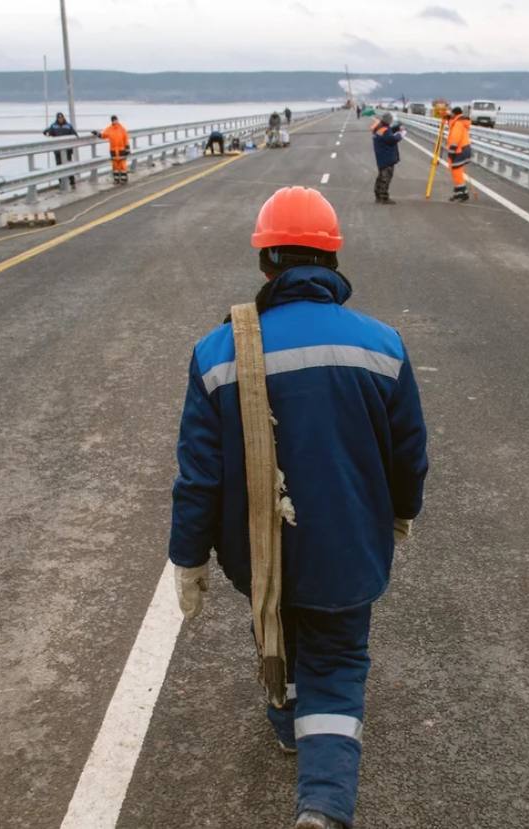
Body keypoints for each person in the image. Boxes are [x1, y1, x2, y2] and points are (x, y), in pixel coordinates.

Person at [169, 186, 428, 829]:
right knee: (338, 662)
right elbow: (409, 454)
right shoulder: (383, 345)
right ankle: (322, 806)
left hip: (260, 551)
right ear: (333, 262)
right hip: (348, 548)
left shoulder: (217, 351)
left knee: (276, 625)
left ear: (266, 264)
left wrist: (188, 558)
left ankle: (289, 721)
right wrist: (402, 509)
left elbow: (199, 476)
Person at [371, 112, 404, 205]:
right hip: (387, 158)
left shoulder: (379, 128)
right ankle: (384, 197)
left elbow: (388, 132)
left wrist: (397, 128)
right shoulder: (385, 131)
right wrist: (401, 134)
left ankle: (378, 195)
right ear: (389, 121)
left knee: (381, 177)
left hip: (381, 157)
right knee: (385, 178)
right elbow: (391, 140)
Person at [91, 115, 130, 184]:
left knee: (122, 165)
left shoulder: (122, 129)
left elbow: (126, 139)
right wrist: (97, 133)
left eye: (115, 120)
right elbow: (103, 135)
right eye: (113, 120)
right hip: (113, 150)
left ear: (117, 120)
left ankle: (124, 179)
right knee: (115, 166)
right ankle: (116, 180)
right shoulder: (109, 129)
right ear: (112, 121)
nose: (115, 121)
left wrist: (127, 148)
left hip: (121, 150)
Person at [43, 112, 78, 188]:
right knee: (59, 166)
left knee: (68, 165)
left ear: (63, 118)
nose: (60, 119)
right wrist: (48, 134)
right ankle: (61, 182)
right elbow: (46, 132)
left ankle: (72, 181)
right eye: (59, 118)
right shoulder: (54, 126)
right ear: (57, 118)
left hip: (67, 150)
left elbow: (75, 135)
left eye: (61, 118)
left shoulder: (68, 126)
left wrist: (71, 143)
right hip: (57, 150)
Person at [445, 106, 472, 202]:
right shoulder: (458, 121)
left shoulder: (458, 124)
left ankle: (463, 193)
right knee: (456, 172)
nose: (450, 115)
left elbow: (455, 138)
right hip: (462, 150)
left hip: (460, 150)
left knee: (456, 172)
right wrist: (448, 119)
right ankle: (459, 193)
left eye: (451, 113)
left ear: (455, 114)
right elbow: (451, 125)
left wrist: (451, 152)